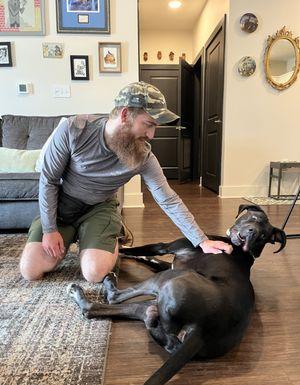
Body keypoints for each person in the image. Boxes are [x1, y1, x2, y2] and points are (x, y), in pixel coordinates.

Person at [19, 81, 232, 283]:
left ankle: (109, 240)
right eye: (148, 124)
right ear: (124, 115)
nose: (151, 134)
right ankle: (76, 236)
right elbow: (49, 180)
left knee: (94, 273)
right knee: (30, 270)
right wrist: (49, 230)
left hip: (100, 208)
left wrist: (201, 240)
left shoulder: (144, 157)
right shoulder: (73, 130)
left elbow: (168, 199)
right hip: (63, 208)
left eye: (154, 127)